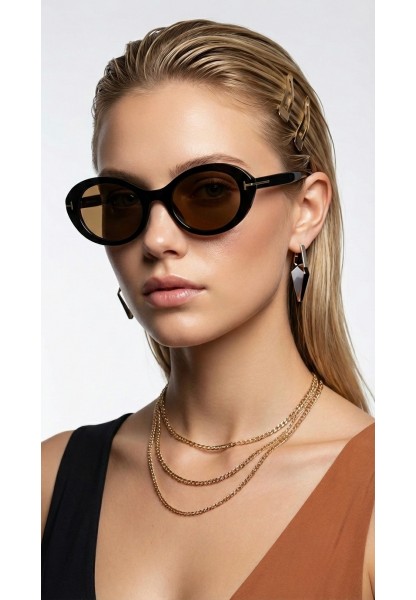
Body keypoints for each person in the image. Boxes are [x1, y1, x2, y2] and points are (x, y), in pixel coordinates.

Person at [41, 19, 374, 600]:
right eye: (122, 201)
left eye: (211, 191)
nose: (156, 239)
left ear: (305, 211)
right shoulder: (44, 484)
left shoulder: (385, 500)